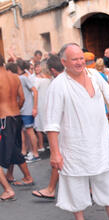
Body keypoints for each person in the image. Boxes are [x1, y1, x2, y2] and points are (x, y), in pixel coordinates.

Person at [44, 43, 109, 220]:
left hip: (100, 142)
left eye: (81, 58)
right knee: (75, 183)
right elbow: (52, 123)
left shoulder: (95, 77)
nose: (80, 62)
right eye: (75, 59)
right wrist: (55, 153)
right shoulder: (58, 85)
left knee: (107, 181)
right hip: (74, 146)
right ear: (64, 62)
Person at [31, 55, 65, 200]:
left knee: (58, 157)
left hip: (64, 128)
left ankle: (51, 189)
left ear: (52, 70)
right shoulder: (64, 81)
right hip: (69, 127)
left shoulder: (58, 83)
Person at [0, 54, 34, 190]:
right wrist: (15, 109)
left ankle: (27, 176)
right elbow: (23, 98)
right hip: (16, 115)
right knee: (13, 145)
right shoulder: (14, 77)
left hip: (4, 117)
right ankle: (10, 174)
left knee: (11, 148)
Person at [16, 59, 40, 163]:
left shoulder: (24, 78)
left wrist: (34, 107)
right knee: (24, 132)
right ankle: (25, 152)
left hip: (27, 109)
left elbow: (34, 90)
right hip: (22, 109)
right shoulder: (20, 77)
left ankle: (35, 154)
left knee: (30, 132)